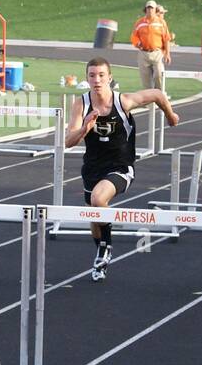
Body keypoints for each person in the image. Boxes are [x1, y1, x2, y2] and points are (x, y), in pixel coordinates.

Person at [64, 57, 179, 282]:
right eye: (92, 75)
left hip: (120, 166)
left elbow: (156, 94)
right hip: (92, 168)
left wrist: (170, 115)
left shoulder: (123, 101)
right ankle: (101, 250)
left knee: (98, 200)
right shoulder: (81, 104)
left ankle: (105, 249)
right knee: (95, 215)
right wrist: (85, 128)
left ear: (110, 77)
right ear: (87, 78)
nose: (96, 80)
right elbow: (68, 142)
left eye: (101, 76)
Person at [131, 0, 171, 90]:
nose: (150, 10)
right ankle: (149, 101)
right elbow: (134, 36)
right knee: (145, 80)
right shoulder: (139, 22)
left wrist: (167, 53)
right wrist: (137, 42)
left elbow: (166, 39)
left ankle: (159, 95)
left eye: (152, 8)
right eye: (148, 8)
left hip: (157, 53)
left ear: (155, 10)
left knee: (158, 75)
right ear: (145, 10)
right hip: (143, 53)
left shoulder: (161, 23)